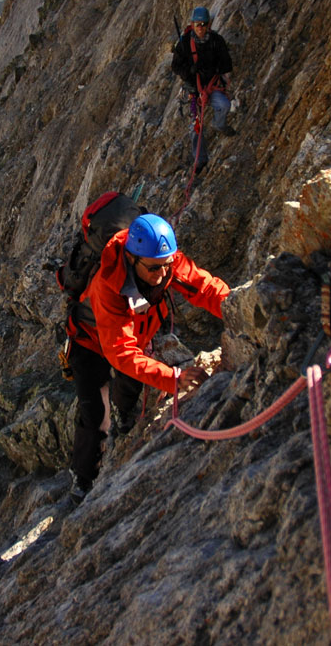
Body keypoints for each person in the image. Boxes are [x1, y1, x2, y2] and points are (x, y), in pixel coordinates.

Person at [65, 213, 229, 502]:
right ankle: (83, 481)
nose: (163, 274)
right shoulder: (108, 285)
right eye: (155, 269)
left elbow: (203, 287)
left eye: (168, 266)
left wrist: (234, 306)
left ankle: (126, 416)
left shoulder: (162, 260)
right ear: (130, 258)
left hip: (133, 337)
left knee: (129, 385)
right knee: (95, 414)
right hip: (89, 341)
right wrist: (174, 379)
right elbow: (121, 353)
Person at [171, 6, 235, 173]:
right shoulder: (184, 44)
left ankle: (218, 124)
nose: (200, 28)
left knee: (224, 106)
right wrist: (189, 72)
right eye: (197, 24)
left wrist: (214, 69)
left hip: (211, 87)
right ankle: (200, 160)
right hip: (195, 90)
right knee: (196, 128)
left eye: (203, 24)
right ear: (192, 24)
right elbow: (176, 66)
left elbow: (226, 63)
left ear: (208, 25)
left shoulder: (216, 41)